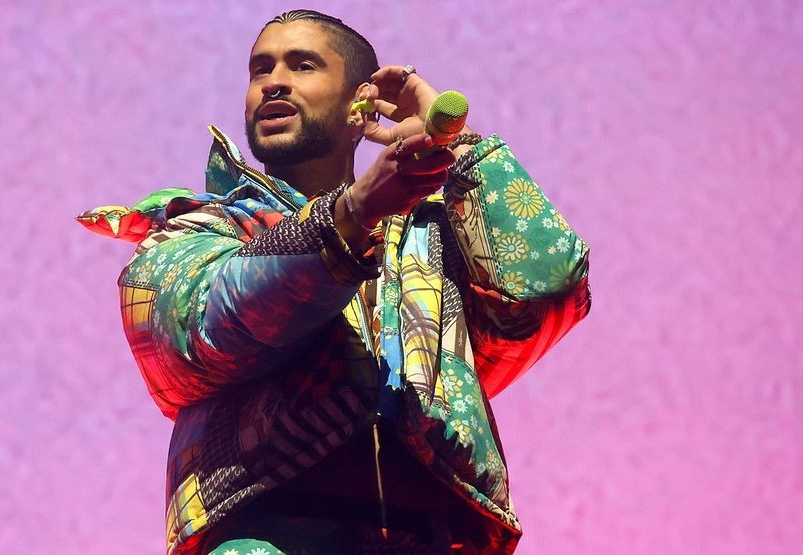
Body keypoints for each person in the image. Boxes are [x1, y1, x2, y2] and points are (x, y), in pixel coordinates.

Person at [80, 9, 591, 555]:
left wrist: (460, 151)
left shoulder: (431, 238)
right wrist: (350, 216)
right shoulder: (200, 230)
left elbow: (545, 291)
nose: (273, 81)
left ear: (361, 105)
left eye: (302, 65)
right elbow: (199, 331)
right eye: (260, 70)